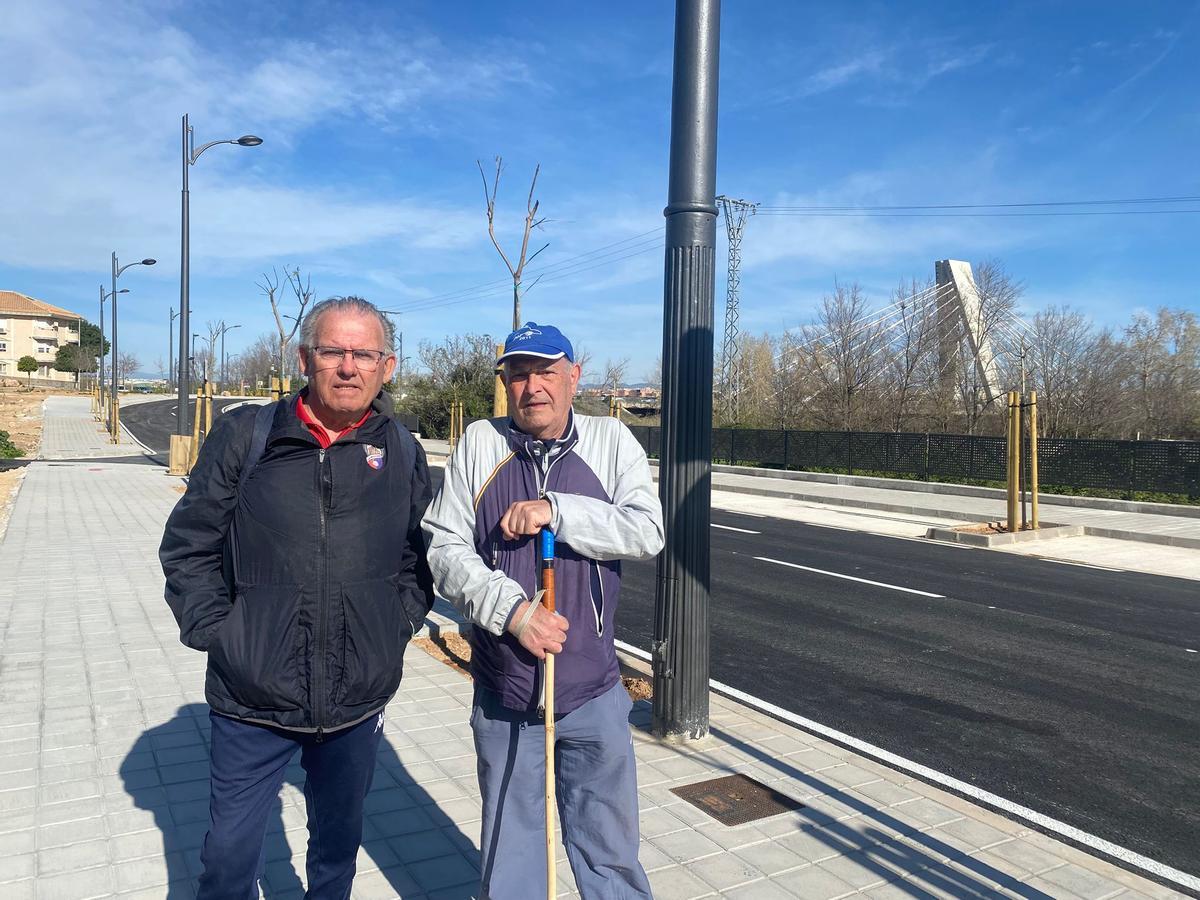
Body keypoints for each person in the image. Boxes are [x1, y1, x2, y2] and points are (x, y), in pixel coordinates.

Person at [159, 296, 434, 899]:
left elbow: (418, 556)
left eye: (364, 354)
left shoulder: (402, 450)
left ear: (386, 367)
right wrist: (222, 635)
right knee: (229, 858)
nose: (348, 367)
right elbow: (188, 544)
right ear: (306, 358)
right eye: (333, 351)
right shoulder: (247, 435)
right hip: (250, 696)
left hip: (356, 696)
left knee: (336, 851)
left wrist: (395, 626)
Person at [422, 321, 663, 899]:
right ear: (505, 383)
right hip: (506, 696)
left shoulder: (610, 441)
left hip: (593, 694)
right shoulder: (480, 443)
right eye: (519, 374)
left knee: (610, 856)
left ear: (574, 377)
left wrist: (557, 509)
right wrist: (514, 614)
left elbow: (647, 531)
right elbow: (442, 548)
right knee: (512, 859)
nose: (533, 387)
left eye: (546, 372)